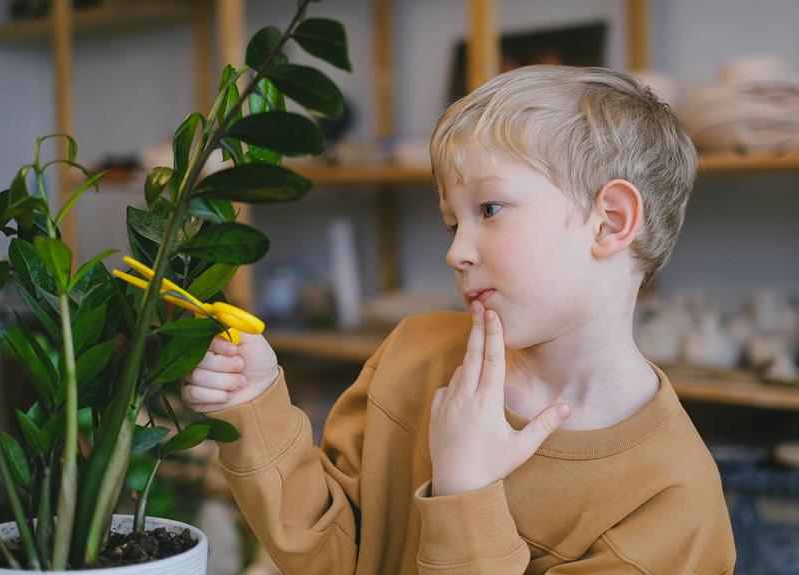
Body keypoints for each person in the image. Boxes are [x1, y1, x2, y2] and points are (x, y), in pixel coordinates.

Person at [183, 65, 736, 574]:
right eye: (452, 224)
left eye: (490, 210)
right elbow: (332, 554)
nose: (456, 252)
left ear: (610, 221)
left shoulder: (673, 496)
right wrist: (252, 402)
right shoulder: (412, 355)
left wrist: (464, 491)